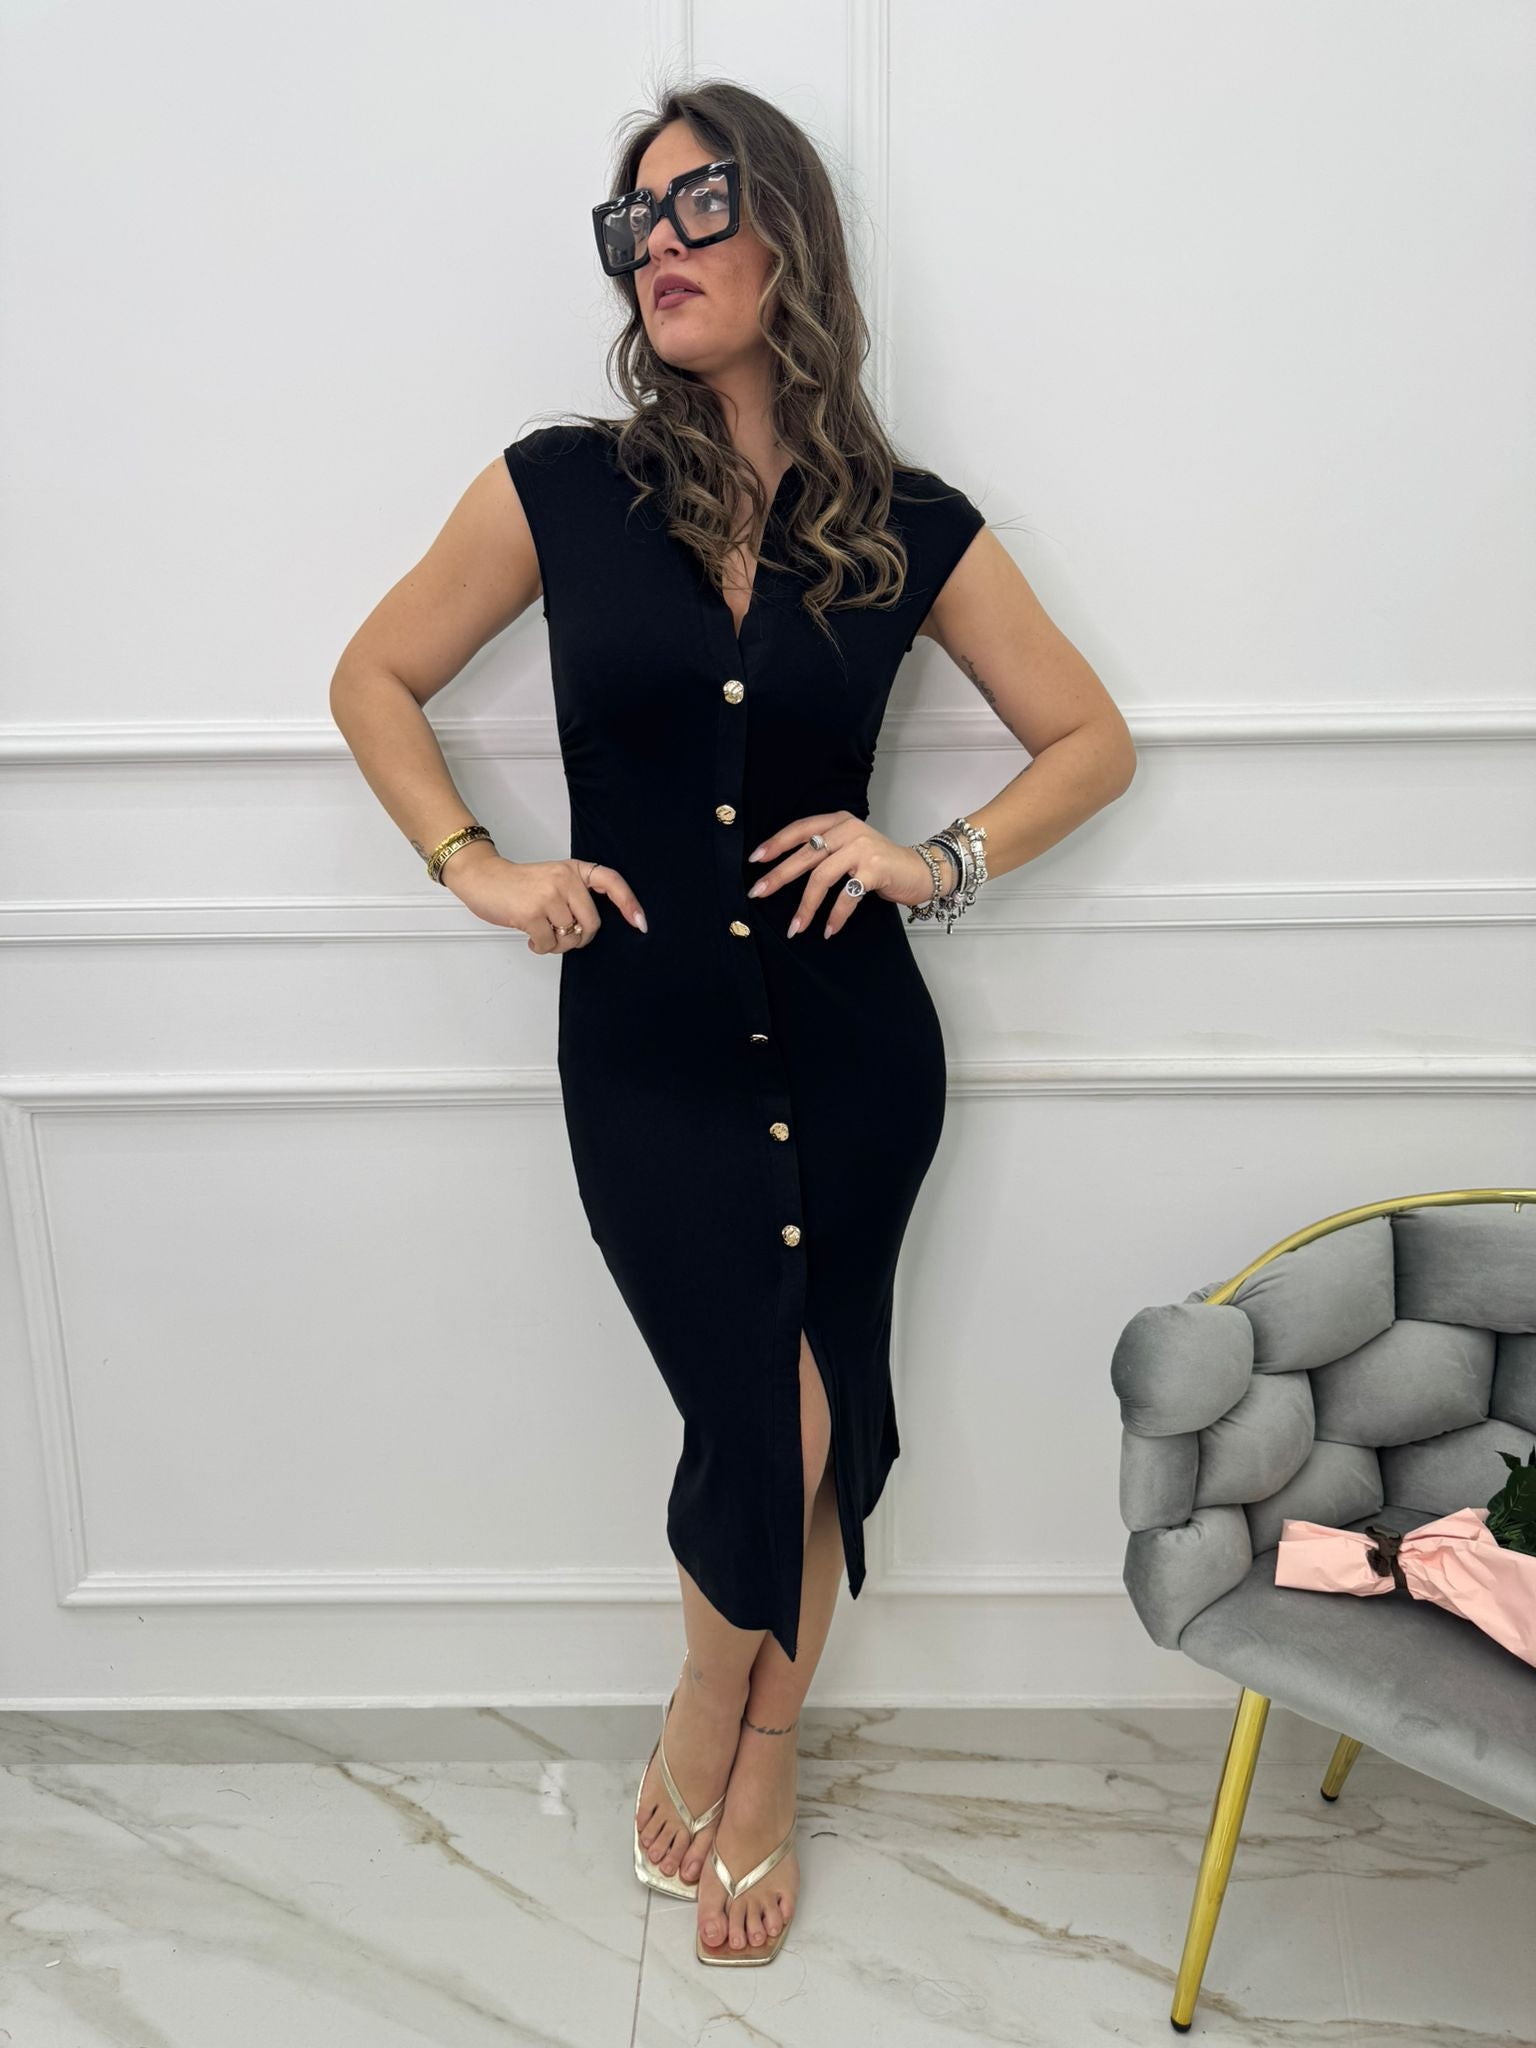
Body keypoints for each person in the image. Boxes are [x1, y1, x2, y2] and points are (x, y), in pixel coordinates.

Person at [329, 79, 1136, 1968]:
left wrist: (932, 860)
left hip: (855, 1047)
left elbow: (1091, 741)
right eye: (632, 224)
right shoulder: (559, 487)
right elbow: (374, 674)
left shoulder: (912, 524)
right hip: (646, 1048)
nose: (658, 249)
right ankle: (727, 1707)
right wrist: (476, 865)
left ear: (790, 232)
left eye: (697, 205)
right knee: (748, 1410)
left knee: (816, 1412)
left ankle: (749, 1745)